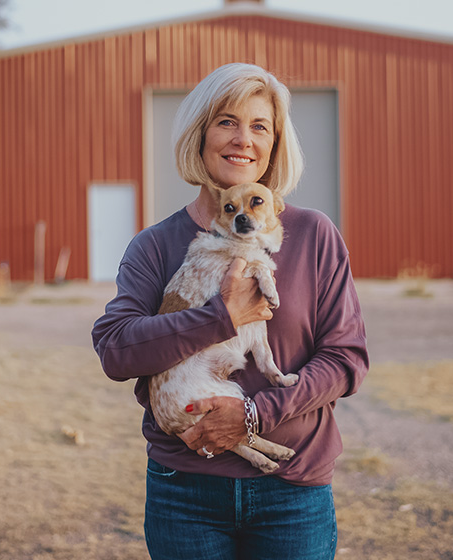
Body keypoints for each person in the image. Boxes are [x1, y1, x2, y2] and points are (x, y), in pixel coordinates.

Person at [91, 63, 368, 560]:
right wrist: (221, 316)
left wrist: (254, 415)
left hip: (294, 489)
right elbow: (116, 351)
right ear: (199, 134)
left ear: (275, 144)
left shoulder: (314, 236)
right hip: (186, 490)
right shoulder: (155, 245)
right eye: (226, 121)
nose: (243, 139)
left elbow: (347, 360)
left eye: (260, 126)